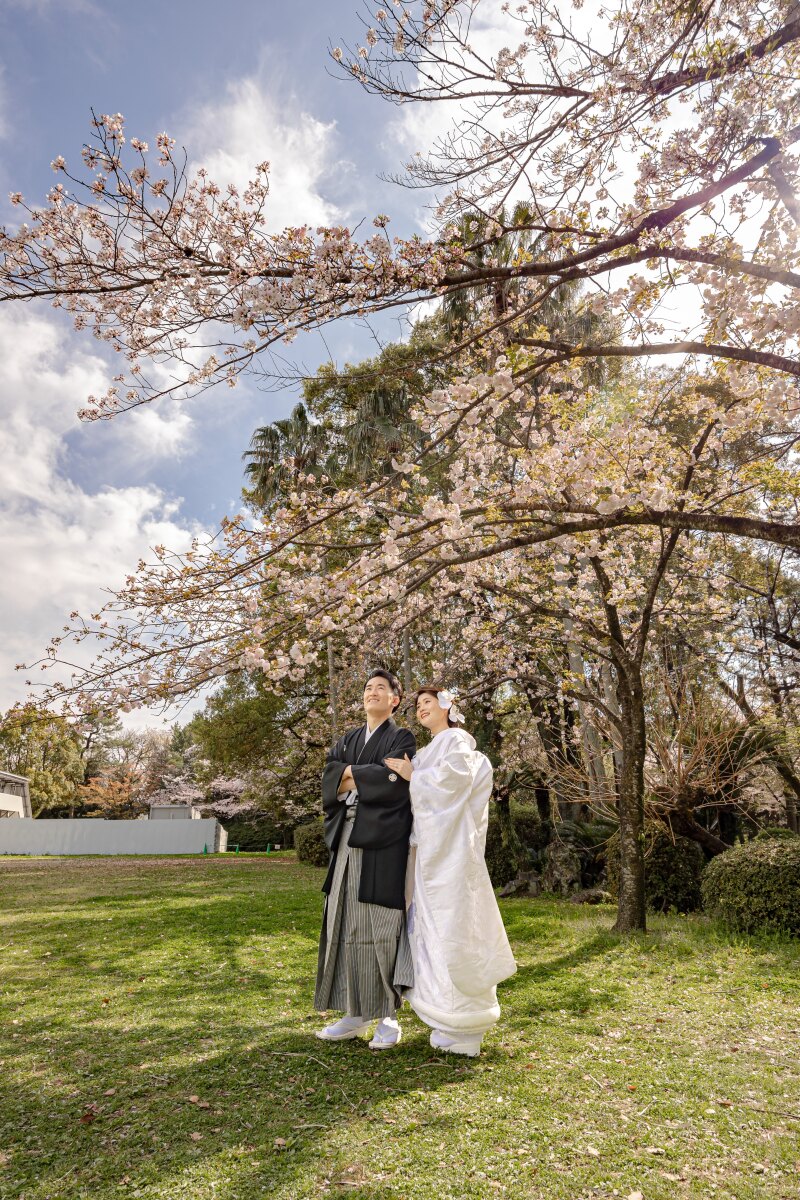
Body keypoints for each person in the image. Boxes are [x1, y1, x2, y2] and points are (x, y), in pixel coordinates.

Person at [385, 686, 516, 1057]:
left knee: (455, 927)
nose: (422, 709)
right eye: (419, 705)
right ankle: (444, 1019)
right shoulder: (428, 749)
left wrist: (415, 777)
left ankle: (466, 1022)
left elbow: (453, 785)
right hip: (428, 853)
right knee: (427, 930)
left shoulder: (456, 740)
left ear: (447, 707)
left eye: (429, 703)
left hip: (451, 855)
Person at [314, 669, 416, 1049]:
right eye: (368, 688)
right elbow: (329, 779)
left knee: (381, 925)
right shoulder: (348, 739)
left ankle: (388, 1015)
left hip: (383, 841)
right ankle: (353, 1012)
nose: (373, 693)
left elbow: (396, 785)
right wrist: (364, 774)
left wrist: (348, 775)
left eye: (382, 688)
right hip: (347, 836)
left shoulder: (402, 736)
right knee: (342, 919)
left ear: (394, 699)